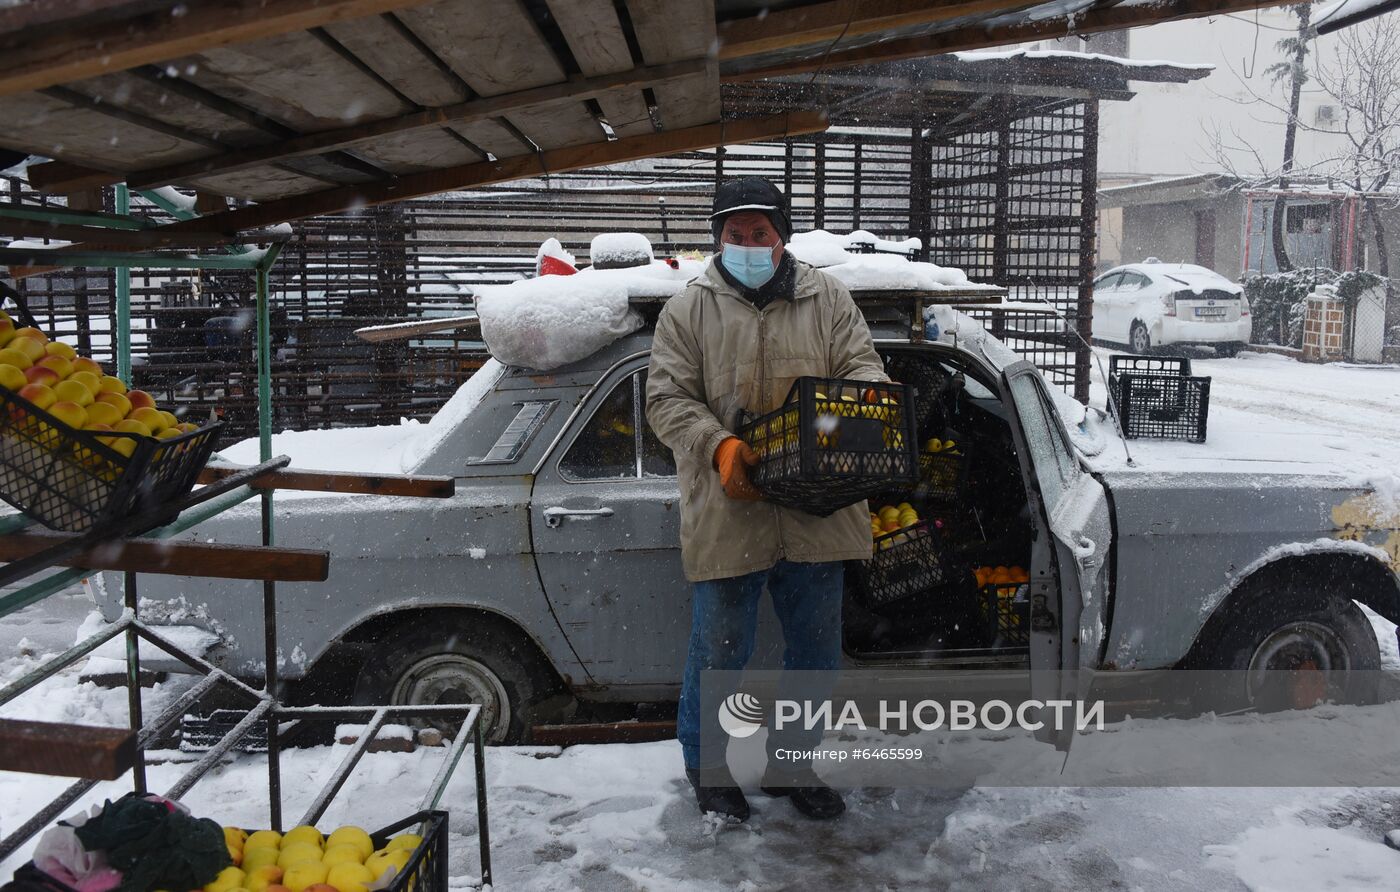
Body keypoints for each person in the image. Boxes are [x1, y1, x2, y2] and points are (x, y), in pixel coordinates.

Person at [645, 176, 891, 822]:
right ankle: (708, 768)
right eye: (735, 234)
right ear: (717, 240)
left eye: (760, 233)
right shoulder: (688, 311)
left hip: (819, 510)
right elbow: (665, 400)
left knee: (814, 651)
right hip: (731, 510)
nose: (748, 244)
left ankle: (792, 765)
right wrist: (719, 445)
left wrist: (843, 418)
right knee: (719, 649)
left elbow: (865, 370)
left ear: (781, 235)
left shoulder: (827, 299)